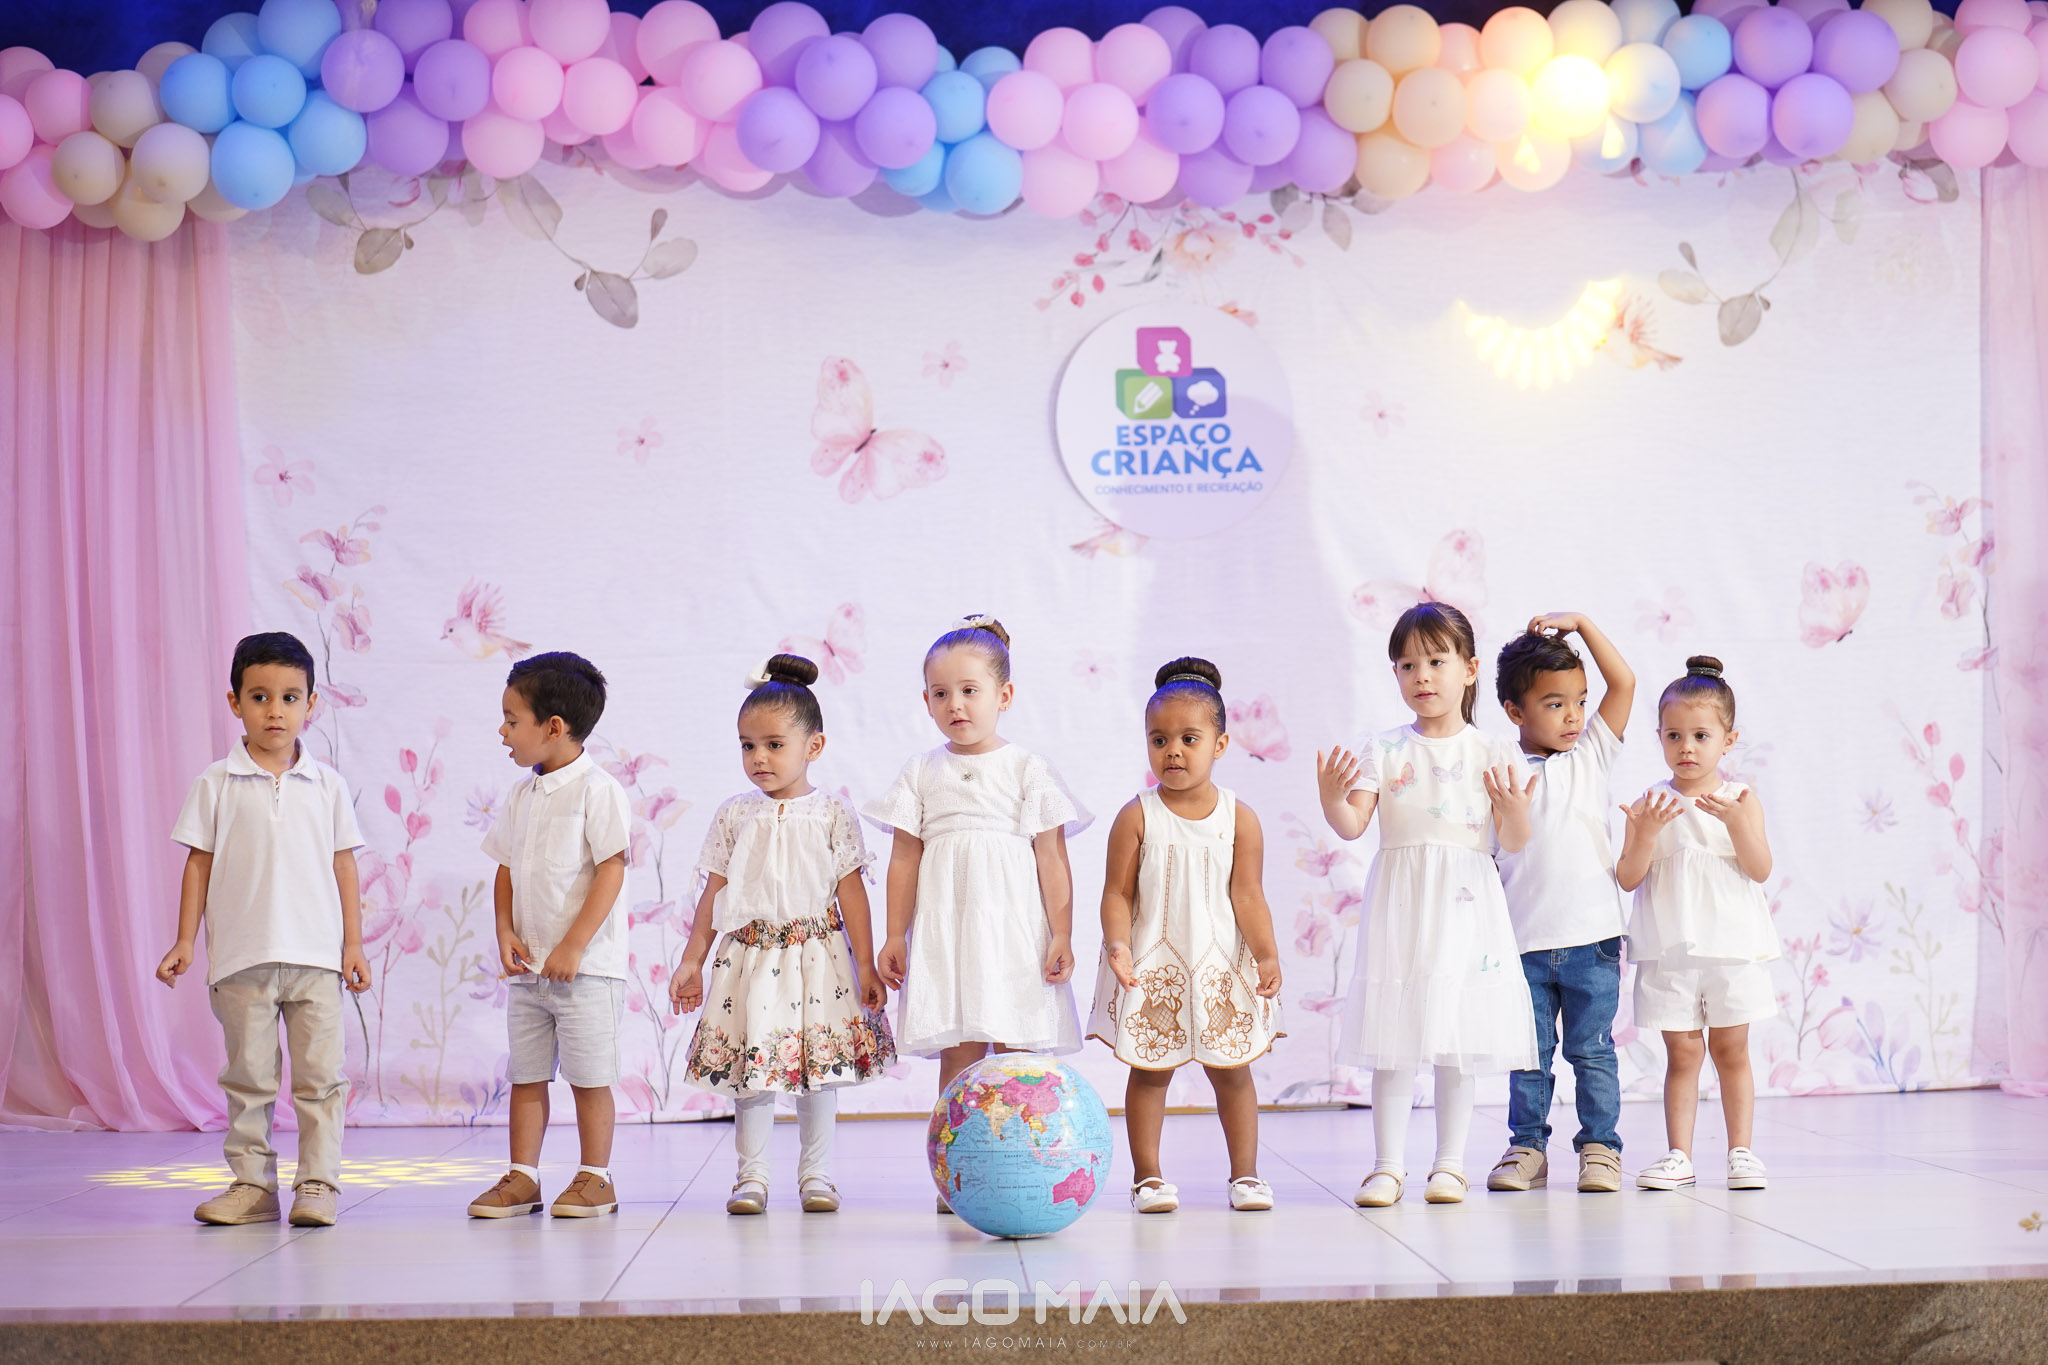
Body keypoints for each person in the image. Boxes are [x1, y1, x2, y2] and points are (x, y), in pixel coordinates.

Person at [1316, 602, 1538, 1207]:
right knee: (1394, 1034)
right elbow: (1353, 823)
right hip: (1402, 901)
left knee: (1454, 1032)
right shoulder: (1383, 748)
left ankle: (1449, 1165)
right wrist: (1332, 800)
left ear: (1469, 669)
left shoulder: (1492, 750)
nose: (1423, 676)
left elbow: (1515, 840)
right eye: (1408, 664)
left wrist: (1516, 811)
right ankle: (1387, 1167)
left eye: (1437, 661)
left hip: (1465, 901)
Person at [866, 615, 1090, 1213]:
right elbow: (904, 860)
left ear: (1004, 695)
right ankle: (958, 1173)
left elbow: (1052, 857)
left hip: (1012, 928)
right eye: (941, 694)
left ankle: (1029, 1167)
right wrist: (894, 933)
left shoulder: (1027, 768)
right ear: (926, 701)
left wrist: (1062, 932)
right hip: (949, 929)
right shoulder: (922, 771)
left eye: (970, 690)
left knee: (1020, 1051)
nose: (955, 705)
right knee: (960, 1051)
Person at [669, 654, 897, 1216]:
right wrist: (692, 960)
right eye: (748, 746)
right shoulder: (734, 814)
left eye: (774, 744)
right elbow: (714, 894)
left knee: (820, 1071)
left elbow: (852, 894)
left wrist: (866, 965)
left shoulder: (832, 813)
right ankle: (751, 1177)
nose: (759, 758)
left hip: (818, 960)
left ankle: (817, 1175)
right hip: (749, 958)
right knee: (753, 1072)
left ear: (813, 746)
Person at [159, 631, 370, 1228]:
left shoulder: (327, 785)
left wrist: (353, 944)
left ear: (311, 704)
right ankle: (253, 1185)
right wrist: (185, 940)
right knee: (248, 1078)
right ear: (235, 703)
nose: (275, 711)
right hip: (242, 959)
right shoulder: (216, 782)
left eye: (289, 697)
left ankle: (318, 1183)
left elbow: (344, 866)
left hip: (317, 960)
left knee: (321, 1079)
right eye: (259, 697)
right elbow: (198, 863)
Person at [1088, 658, 1284, 1214]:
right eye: (1160, 740)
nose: (1172, 751)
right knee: (1151, 1072)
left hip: (1220, 959)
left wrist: (1267, 955)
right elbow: (1116, 892)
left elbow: (1249, 895)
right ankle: (1147, 1177)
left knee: (1232, 1070)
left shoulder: (1240, 818)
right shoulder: (1137, 816)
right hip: (1154, 960)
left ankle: (1246, 1175)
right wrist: (1118, 944)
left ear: (1220, 745)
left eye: (1188, 739)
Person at [467, 653, 633, 1219]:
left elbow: (611, 869)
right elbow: (505, 868)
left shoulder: (597, 791)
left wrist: (574, 945)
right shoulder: (522, 795)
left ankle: (596, 1177)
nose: (503, 731)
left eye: (512, 720)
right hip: (530, 970)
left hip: (586, 972)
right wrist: (505, 930)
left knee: (590, 1077)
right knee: (527, 1075)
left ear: (553, 726)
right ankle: (523, 1176)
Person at [1486, 614, 1636, 1196]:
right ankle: (1527, 1147)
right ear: (1514, 710)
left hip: (1593, 941)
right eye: (1555, 704)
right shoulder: (1497, 768)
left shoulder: (1591, 754)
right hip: (1521, 941)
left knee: (1592, 1053)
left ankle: (1600, 1148)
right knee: (1530, 1055)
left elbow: (1624, 683)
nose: (1573, 716)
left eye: (1579, 701)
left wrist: (1582, 624)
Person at [1619, 656, 1778, 1193]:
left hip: (1732, 949)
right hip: (1672, 951)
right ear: (1660, 738)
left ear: (1728, 740)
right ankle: (1679, 1156)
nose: (1686, 747)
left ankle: (1741, 1152)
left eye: (1701, 736)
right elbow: (1628, 877)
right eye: (1674, 735)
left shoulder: (1740, 800)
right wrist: (1644, 833)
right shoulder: (1650, 803)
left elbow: (1760, 869)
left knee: (1732, 1051)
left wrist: (1737, 825)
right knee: (1683, 1053)